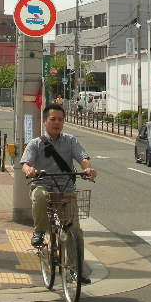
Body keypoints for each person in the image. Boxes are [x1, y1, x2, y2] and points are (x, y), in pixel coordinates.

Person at [20, 103, 97, 285]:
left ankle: (75, 271)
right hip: (43, 187)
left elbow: (83, 158)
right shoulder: (36, 143)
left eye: (60, 120)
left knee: (75, 232)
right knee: (39, 196)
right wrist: (30, 170)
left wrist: (88, 169)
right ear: (45, 121)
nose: (57, 123)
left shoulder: (70, 141)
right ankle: (39, 231)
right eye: (53, 119)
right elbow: (25, 164)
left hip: (65, 191)